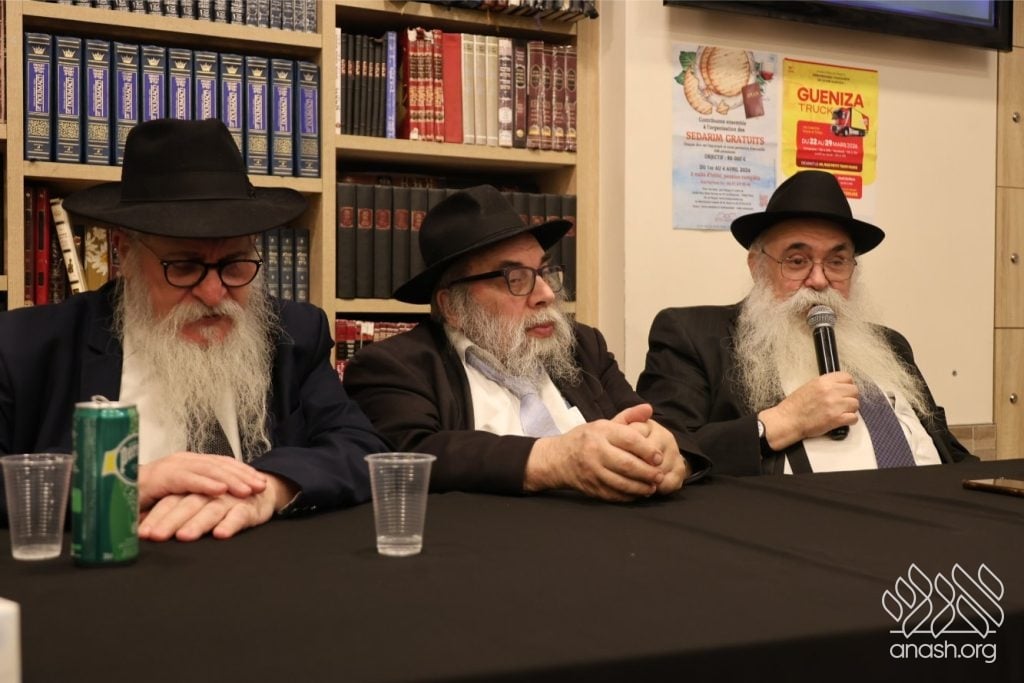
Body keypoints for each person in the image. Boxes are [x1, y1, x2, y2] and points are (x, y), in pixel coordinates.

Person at [0, 119, 388, 539]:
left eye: (234, 264)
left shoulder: (294, 333)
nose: (213, 292)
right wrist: (125, 482)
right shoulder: (25, 346)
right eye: (184, 267)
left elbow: (361, 448)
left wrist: (270, 488)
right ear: (124, 253)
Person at [343, 185, 709, 502]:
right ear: (452, 306)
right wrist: (554, 459)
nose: (546, 294)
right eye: (515, 278)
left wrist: (667, 449)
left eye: (545, 271)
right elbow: (412, 455)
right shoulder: (395, 366)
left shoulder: (582, 346)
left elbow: (651, 419)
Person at [637, 170, 974, 475]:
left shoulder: (890, 345)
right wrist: (785, 421)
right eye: (797, 261)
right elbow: (663, 452)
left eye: (837, 261)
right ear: (756, 267)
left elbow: (950, 452)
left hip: (933, 511)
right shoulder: (693, 335)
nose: (819, 280)